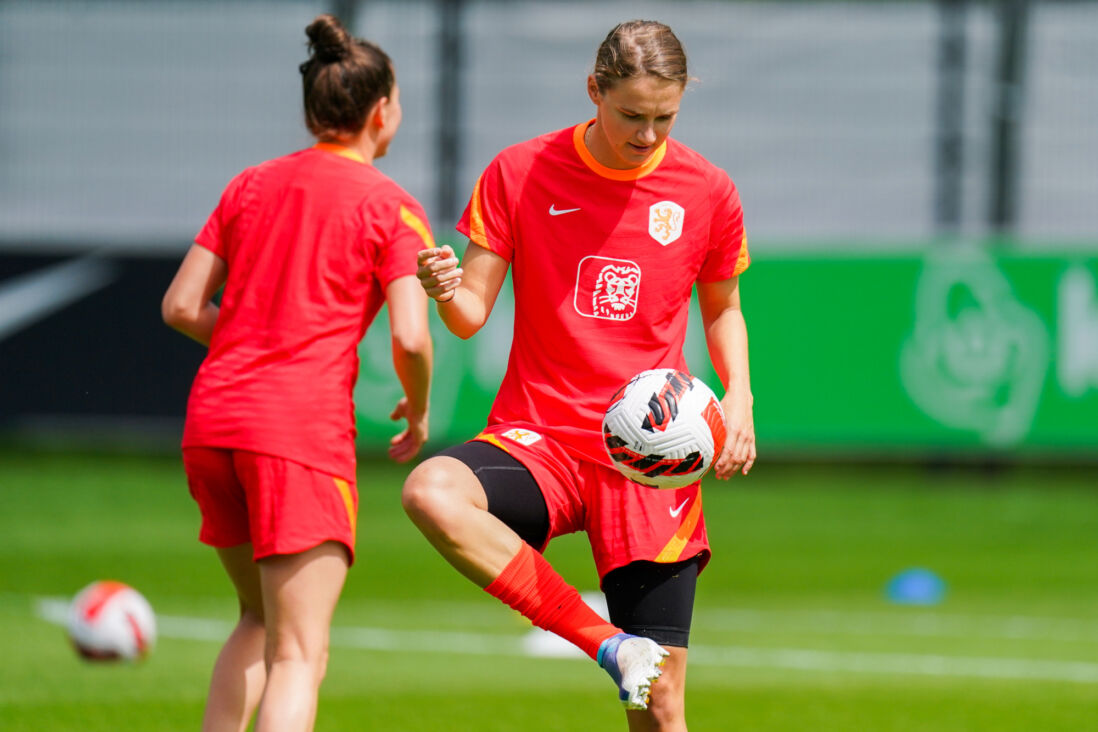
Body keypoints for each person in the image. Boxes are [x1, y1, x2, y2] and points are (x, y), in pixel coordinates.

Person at [403, 19, 755, 732]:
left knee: (659, 707)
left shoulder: (708, 190)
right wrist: (443, 289)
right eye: (631, 114)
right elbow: (471, 314)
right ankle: (606, 644)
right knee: (432, 493)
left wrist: (740, 400)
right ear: (594, 90)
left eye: (665, 117)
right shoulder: (519, 171)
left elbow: (723, 310)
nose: (647, 135)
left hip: (652, 459)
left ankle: (628, 657)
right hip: (543, 438)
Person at [161, 15, 434, 732]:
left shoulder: (250, 183)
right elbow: (410, 332)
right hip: (296, 432)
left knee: (255, 618)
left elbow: (181, 305)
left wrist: (251, 340)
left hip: (213, 422)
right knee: (299, 655)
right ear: (383, 112)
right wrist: (418, 404)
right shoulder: (391, 207)